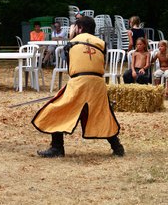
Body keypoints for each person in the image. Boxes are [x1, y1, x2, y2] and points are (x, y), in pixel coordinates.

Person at [32, 17, 125, 158]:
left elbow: (71, 67)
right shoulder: (102, 43)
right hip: (98, 84)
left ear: (80, 28)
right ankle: (117, 147)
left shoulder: (70, 44)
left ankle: (57, 147)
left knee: (57, 109)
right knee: (101, 113)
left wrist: (70, 38)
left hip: (80, 82)